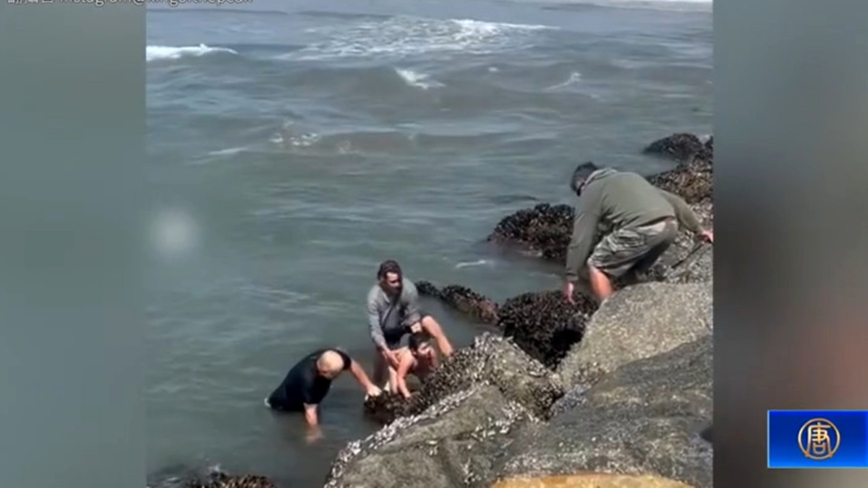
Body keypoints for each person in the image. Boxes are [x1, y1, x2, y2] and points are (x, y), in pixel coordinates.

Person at [563, 161, 714, 302]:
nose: (581, 198)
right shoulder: (630, 177)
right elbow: (676, 202)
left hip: (643, 229)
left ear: (582, 184)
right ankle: (646, 304)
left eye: (579, 193)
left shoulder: (590, 190)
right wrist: (699, 230)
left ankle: (612, 316)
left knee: (597, 266)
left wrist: (571, 277)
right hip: (669, 225)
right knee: (632, 272)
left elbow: (580, 239)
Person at [367, 259, 454, 388]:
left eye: (399, 280)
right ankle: (375, 388)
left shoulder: (408, 288)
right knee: (380, 366)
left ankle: (453, 361)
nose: (398, 285)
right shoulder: (374, 298)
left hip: (407, 321)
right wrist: (387, 351)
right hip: (387, 330)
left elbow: (413, 315)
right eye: (393, 282)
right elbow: (375, 330)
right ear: (382, 281)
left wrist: (417, 343)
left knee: (430, 322)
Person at [264, 348, 381, 440]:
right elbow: (310, 412)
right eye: (335, 374)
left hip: (306, 395)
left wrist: (369, 386)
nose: (339, 375)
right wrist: (314, 432)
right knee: (305, 426)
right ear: (323, 372)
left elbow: (352, 365)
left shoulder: (332, 357)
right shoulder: (309, 382)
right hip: (282, 405)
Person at [389, 332, 439, 399]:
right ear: (414, 352)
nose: (428, 350)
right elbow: (400, 377)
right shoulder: (409, 358)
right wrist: (407, 395)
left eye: (428, 346)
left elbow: (436, 370)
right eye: (424, 349)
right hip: (395, 364)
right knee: (396, 391)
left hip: (417, 363)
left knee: (428, 380)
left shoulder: (431, 352)